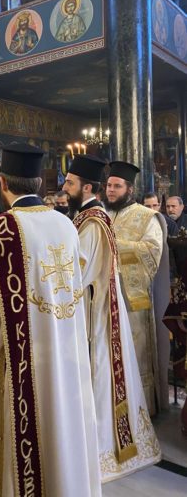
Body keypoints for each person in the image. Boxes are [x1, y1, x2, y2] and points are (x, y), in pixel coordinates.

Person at [0, 144, 101, 497]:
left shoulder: (1, 231)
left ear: (3, 183)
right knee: (63, 432)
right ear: (38, 182)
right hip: (65, 356)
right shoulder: (66, 225)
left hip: (19, 365)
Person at [63, 155, 161, 482]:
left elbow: (79, 271)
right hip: (102, 305)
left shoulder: (95, 222)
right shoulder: (93, 217)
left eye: (70, 182)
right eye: (110, 185)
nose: (64, 187)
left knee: (106, 371)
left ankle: (105, 444)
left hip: (103, 309)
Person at [104, 161, 170, 414]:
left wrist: (113, 245)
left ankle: (141, 408)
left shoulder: (146, 217)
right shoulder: (103, 214)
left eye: (117, 186)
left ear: (129, 189)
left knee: (135, 351)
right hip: (105, 295)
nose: (111, 190)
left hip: (133, 298)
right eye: (109, 185)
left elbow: (151, 251)